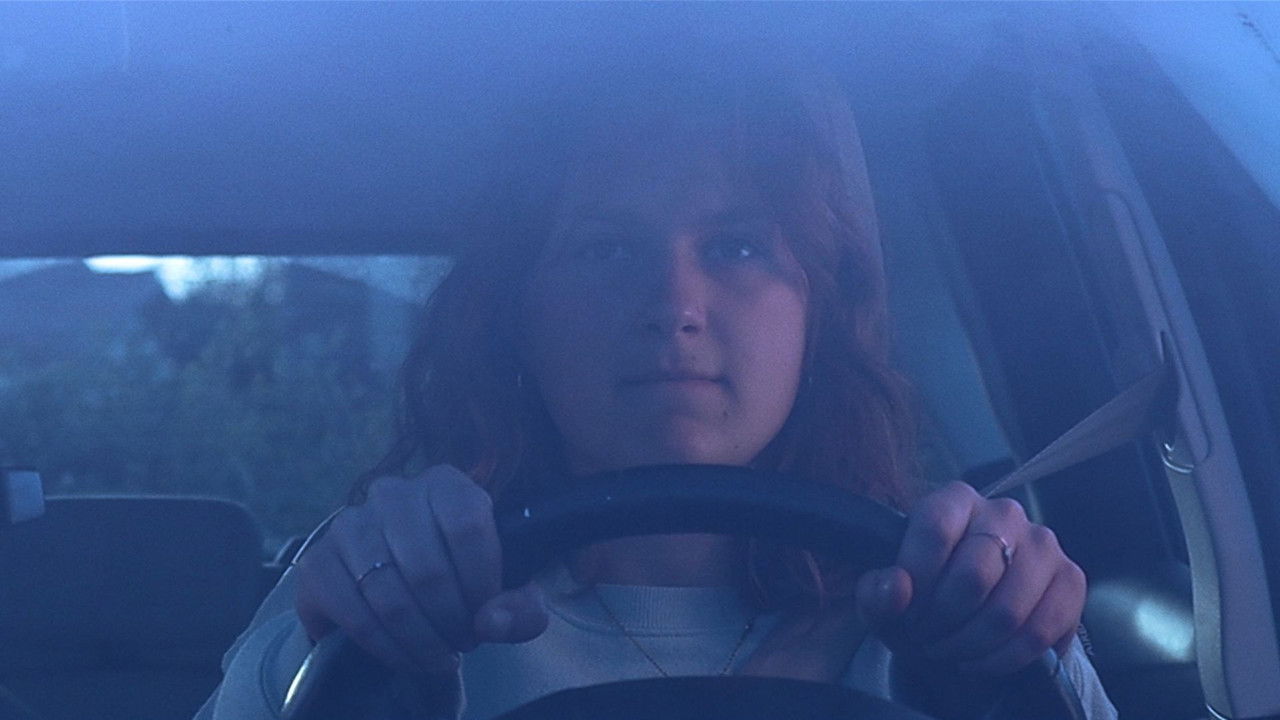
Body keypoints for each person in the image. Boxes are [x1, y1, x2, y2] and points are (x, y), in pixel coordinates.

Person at [196, 48, 1117, 720]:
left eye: (737, 248)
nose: (674, 304)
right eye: (606, 251)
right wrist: (328, 645)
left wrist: (1023, 639)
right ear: (517, 315)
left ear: (818, 315)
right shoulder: (397, 585)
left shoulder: (954, 597)